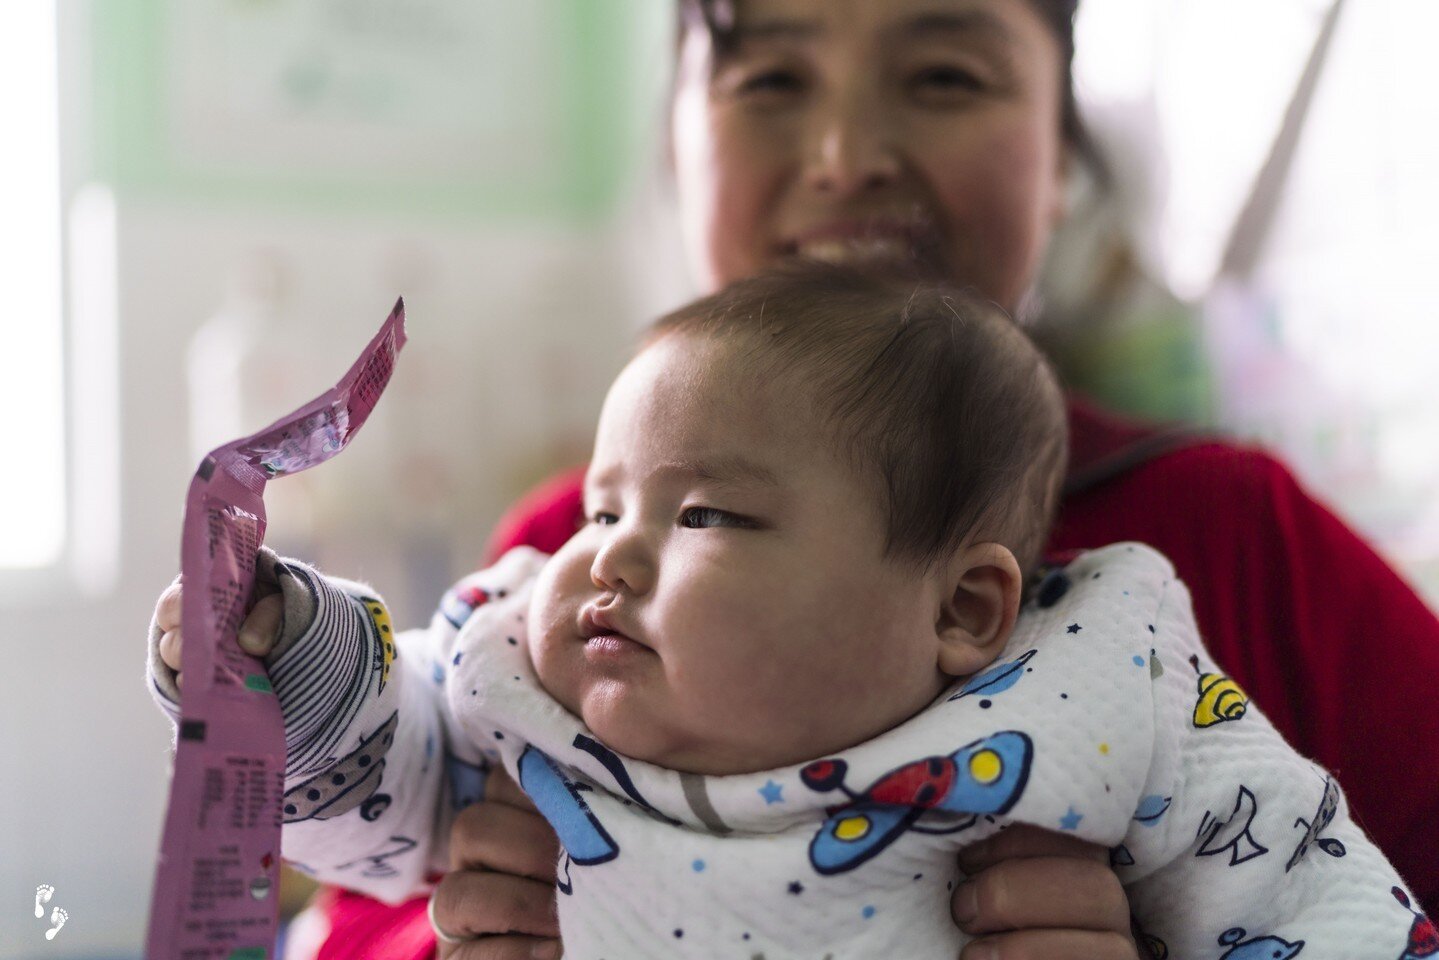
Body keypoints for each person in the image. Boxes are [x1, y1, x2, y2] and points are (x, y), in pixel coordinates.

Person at [148, 270, 1424, 960]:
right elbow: (380, 773)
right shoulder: (527, 672)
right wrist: (279, 652)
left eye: (704, 518)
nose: (606, 558)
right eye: (603, 508)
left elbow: (1310, 892)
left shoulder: (1092, 682)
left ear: (963, 607)